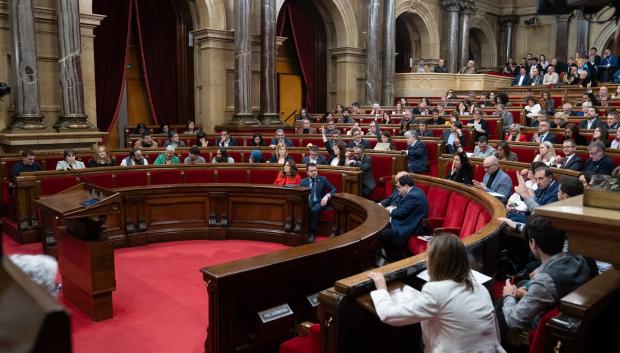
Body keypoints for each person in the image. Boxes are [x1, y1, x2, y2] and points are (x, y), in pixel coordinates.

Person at [369, 234, 504, 353]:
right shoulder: (480, 288)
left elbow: (388, 316)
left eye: (428, 256)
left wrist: (381, 289)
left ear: (436, 262)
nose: (426, 260)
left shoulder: (436, 291)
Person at [498, 216, 591, 337]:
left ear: (533, 243)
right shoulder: (580, 258)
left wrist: (508, 296)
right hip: (570, 317)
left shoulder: (544, 281)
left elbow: (514, 321)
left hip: (544, 330)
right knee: (522, 284)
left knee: (495, 315)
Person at [374, 174, 428, 262]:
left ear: (406, 186)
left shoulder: (412, 196)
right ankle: (388, 258)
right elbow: (402, 210)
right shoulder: (414, 192)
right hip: (405, 221)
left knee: (383, 235)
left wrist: (389, 209)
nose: (398, 191)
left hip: (409, 226)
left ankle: (395, 260)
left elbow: (400, 213)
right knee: (380, 229)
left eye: (399, 188)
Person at [300, 163, 336, 242]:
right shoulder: (303, 182)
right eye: (311, 171)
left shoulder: (323, 179)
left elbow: (333, 189)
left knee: (314, 209)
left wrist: (327, 196)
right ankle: (301, 231)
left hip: (319, 202)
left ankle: (312, 233)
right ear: (307, 172)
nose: (314, 172)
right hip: (308, 202)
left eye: (315, 170)